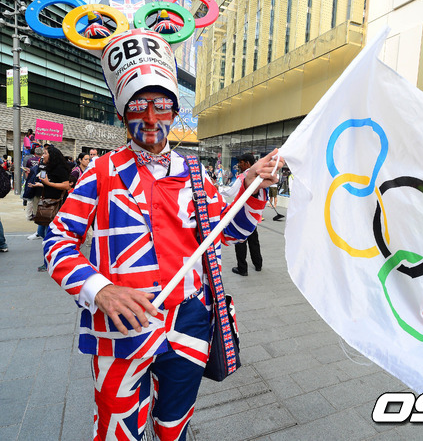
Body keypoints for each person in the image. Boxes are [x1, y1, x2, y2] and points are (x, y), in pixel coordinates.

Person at [43, 28, 282, 441]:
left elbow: (228, 231)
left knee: (174, 427)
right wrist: (100, 290)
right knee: (118, 430)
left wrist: (251, 185)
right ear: (122, 114)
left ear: (175, 110)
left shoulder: (194, 172)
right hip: (122, 325)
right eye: (138, 106)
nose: (151, 118)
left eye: (161, 105)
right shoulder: (101, 172)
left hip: (188, 322)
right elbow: (58, 241)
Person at [33, 145, 70, 271]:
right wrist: (42, 184)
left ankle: (49, 263)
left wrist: (48, 183)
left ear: (52, 156)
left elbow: (66, 185)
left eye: (45, 153)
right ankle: (51, 259)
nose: (43, 155)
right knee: (42, 233)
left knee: (49, 235)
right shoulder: (46, 167)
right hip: (46, 204)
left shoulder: (60, 168)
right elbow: (49, 183)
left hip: (55, 206)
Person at [232, 153, 263, 276]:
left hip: (242, 213)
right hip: (252, 214)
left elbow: (230, 192)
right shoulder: (259, 175)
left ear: (247, 163)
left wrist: (217, 188)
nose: (239, 165)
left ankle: (242, 269)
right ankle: (258, 264)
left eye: (241, 162)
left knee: (240, 240)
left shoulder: (244, 176)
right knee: (253, 239)